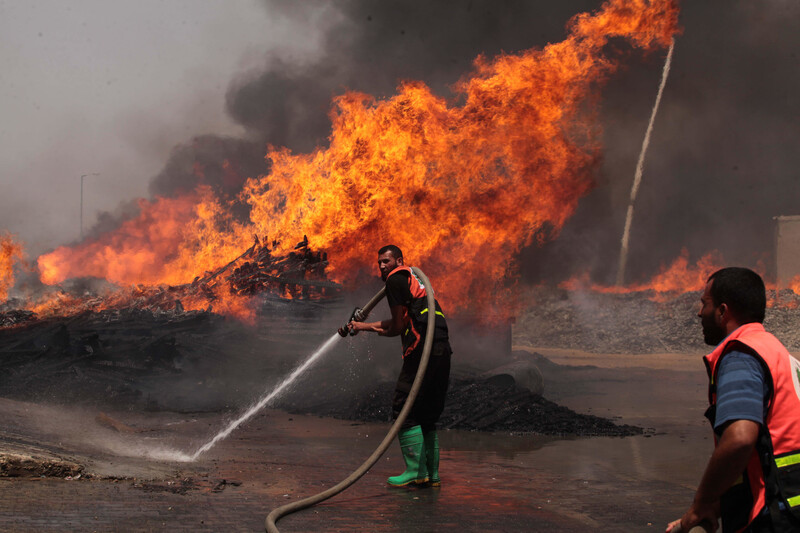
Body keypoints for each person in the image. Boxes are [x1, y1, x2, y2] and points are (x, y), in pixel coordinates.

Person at [667, 267, 800, 533]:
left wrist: (701, 503)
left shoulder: (741, 356)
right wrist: (718, 504)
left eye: (705, 303)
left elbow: (740, 439)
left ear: (723, 311)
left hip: (770, 518)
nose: (699, 312)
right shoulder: (776, 351)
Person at [341, 244, 451, 487]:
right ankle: (431, 475)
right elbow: (400, 322)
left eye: (386, 261)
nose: (382, 266)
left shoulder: (395, 280)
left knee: (403, 406)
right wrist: (363, 327)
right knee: (427, 414)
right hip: (441, 348)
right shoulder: (414, 278)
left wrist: (363, 327)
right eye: (379, 262)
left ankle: (415, 471)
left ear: (399, 260)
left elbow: (398, 327)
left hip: (422, 347)